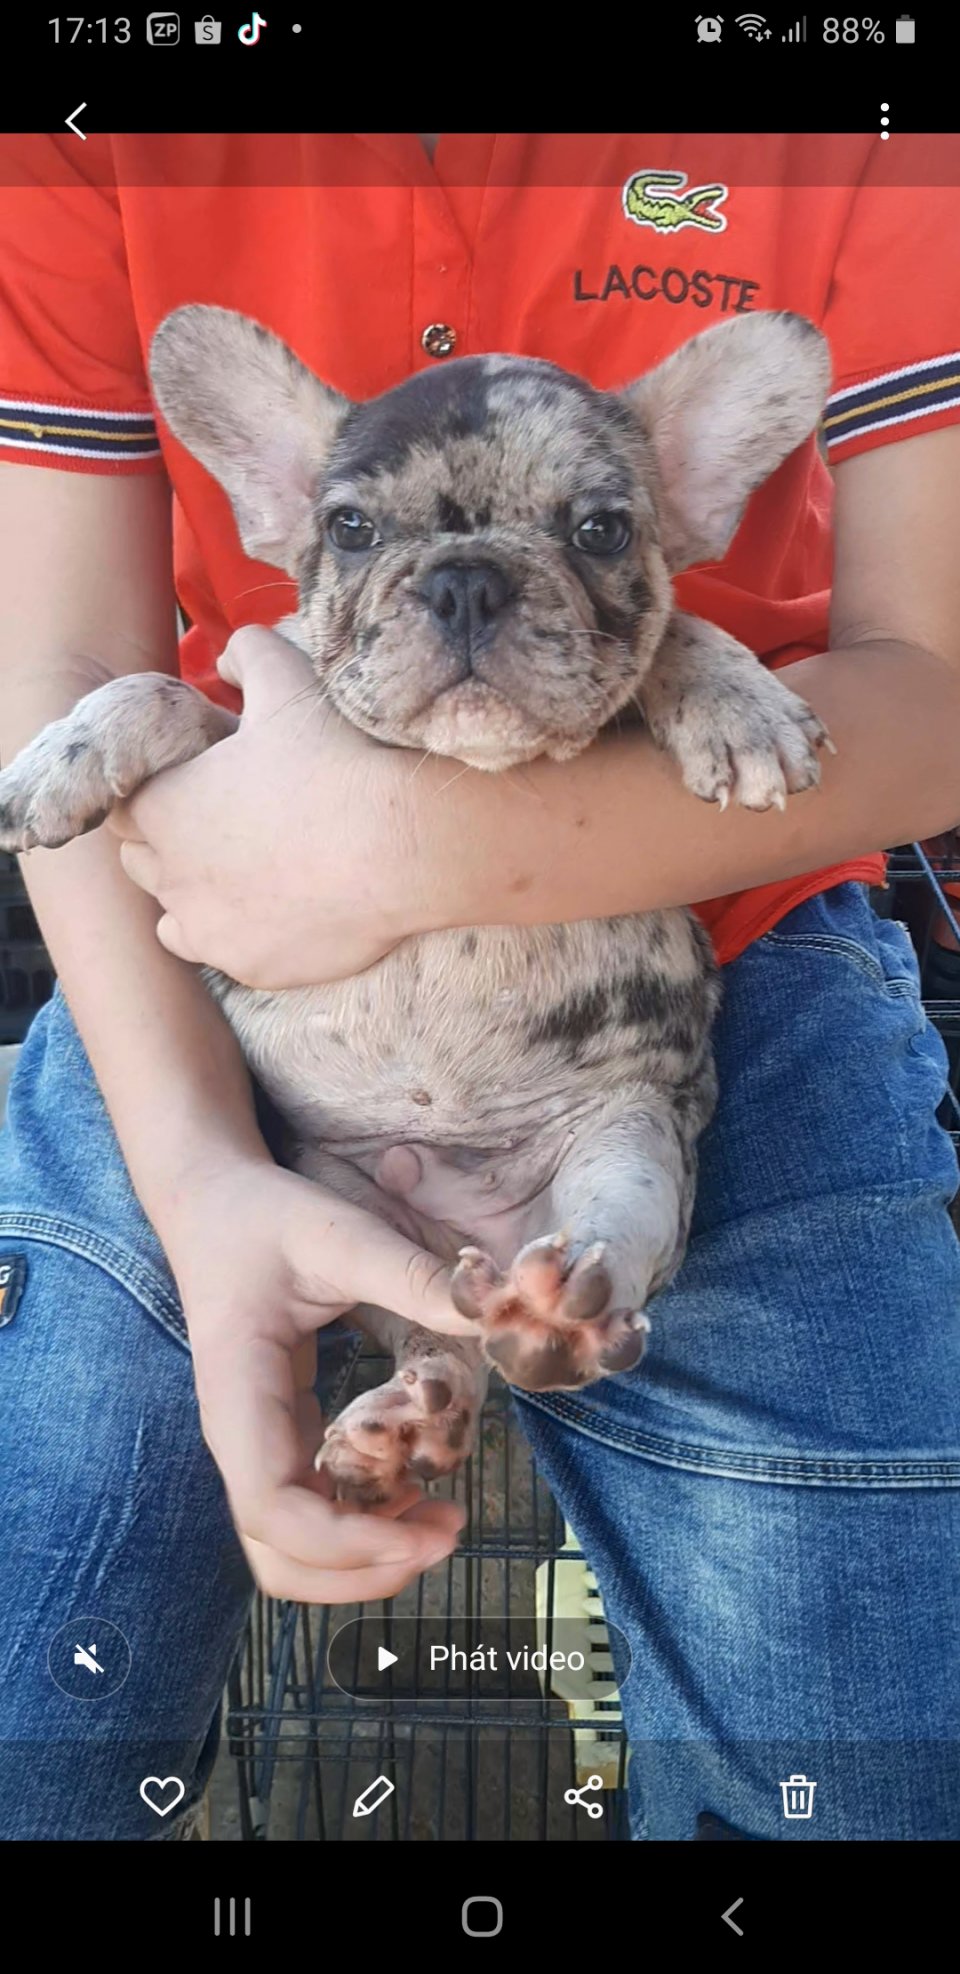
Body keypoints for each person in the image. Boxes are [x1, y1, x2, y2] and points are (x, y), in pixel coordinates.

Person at [1, 131, 959, 1843]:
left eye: (589, 528)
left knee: (859, 1751)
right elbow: (70, 668)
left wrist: (400, 847)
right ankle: (443, 1356)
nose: (464, 597)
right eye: (363, 532)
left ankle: (541, 1305)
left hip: (710, 941)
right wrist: (204, 1179)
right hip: (210, 964)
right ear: (279, 505)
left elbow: (937, 686)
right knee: (36, 1675)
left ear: (684, 493)